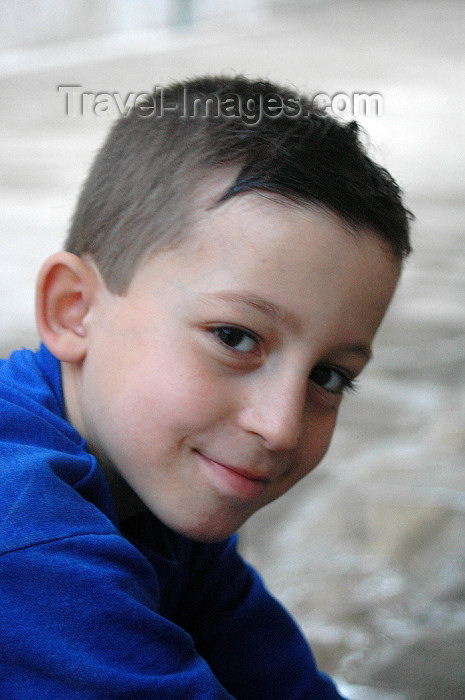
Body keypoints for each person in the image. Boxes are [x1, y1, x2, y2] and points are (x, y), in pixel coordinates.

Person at [0, 75, 411, 698]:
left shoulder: (156, 492)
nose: (281, 425)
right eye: (235, 337)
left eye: (328, 376)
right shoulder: (29, 538)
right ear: (74, 310)